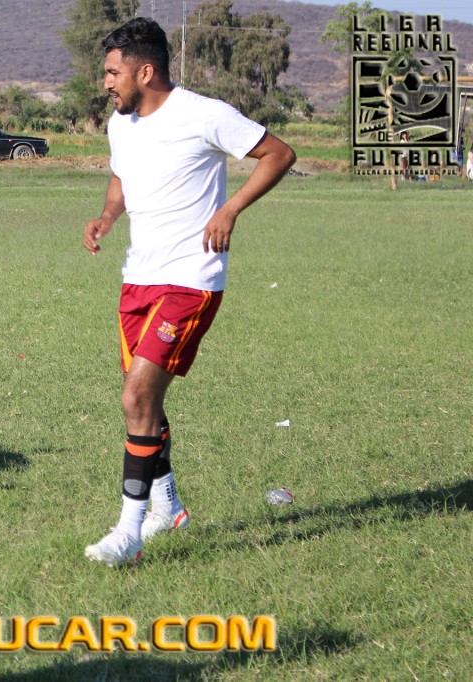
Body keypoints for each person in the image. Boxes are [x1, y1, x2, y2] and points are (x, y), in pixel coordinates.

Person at [81, 18, 296, 567]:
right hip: (137, 278)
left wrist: (231, 208)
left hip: (190, 281)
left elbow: (279, 154)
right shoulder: (121, 123)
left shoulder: (205, 114)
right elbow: (121, 175)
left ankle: (129, 532)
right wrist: (108, 216)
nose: (105, 82)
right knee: (144, 402)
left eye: (112, 72)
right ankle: (169, 507)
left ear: (144, 71)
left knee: (136, 397)